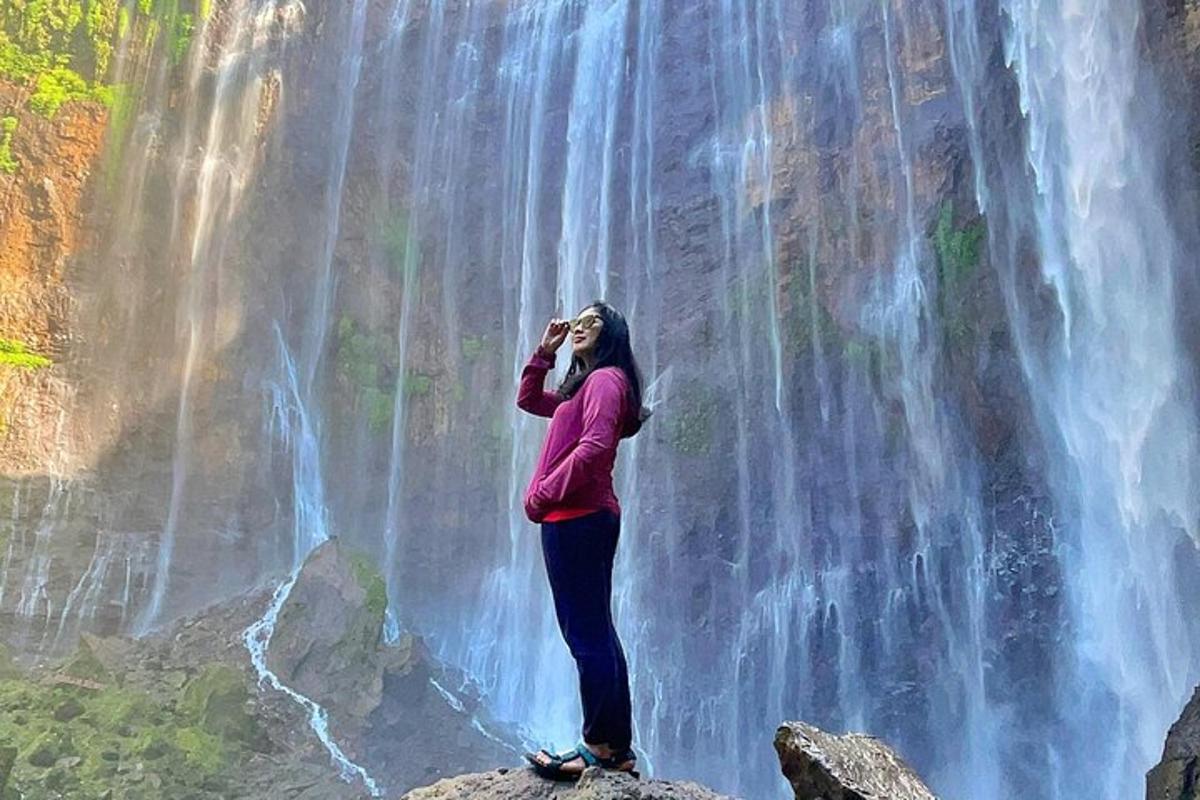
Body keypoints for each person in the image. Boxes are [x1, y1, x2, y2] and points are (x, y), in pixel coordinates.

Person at [517, 300, 648, 781]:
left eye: (594, 321)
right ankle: (615, 748)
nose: (582, 325)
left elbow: (594, 449)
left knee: (586, 636)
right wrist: (543, 352)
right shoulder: (586, 387)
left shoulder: (606, 381)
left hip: (577, 517)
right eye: (580, 319)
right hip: (579, 517)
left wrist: (541, 495)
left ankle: (596, 747)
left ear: (611, 334)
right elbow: (529, 401)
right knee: (597, 633)